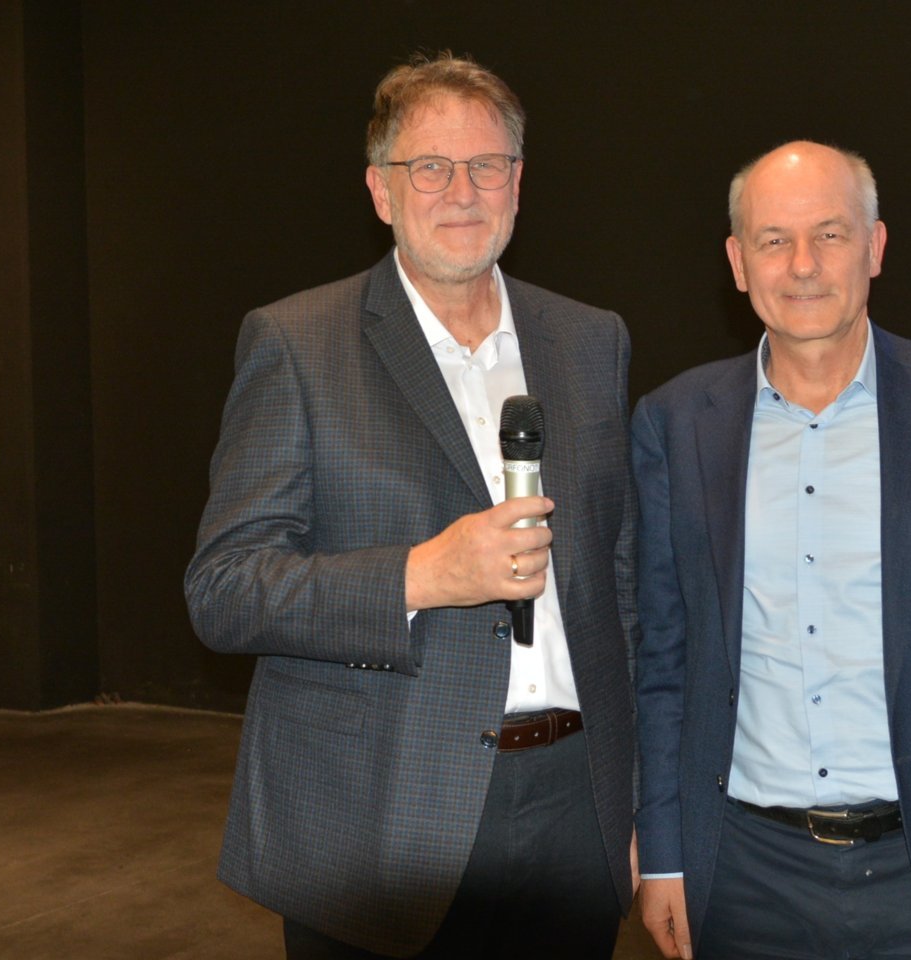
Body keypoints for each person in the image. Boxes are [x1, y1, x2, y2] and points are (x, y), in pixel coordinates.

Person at [184, 53, 638, 960]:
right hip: (380, 820)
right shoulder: (296, 343)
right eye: (430, 167)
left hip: (575, 812)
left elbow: (622, 580)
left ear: (518, 183)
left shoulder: (592, 340)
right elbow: (224, 590)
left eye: (486, 166)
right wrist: (422, 576)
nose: (462, 191)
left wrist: (636, 802)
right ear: (380, 191)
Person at [632, 141, 911, 960]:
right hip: (743, 875)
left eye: (831, 235)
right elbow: (662, 664)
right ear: (738, 263)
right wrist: (663, 854)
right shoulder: (674, 424)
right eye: (774, 240)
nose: (803, 265)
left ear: (875, 247)